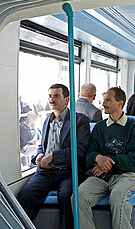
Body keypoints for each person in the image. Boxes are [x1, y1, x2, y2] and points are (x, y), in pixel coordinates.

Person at [17, 84, 90, 229]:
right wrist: (40, 154)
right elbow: (42, 146)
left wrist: (53, 156)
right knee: (26, 194)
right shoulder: (47, 121)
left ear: (67, 99)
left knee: (65, 197)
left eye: (56, 96)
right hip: (47, 172)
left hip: (68, 171)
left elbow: (80, 150)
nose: (52, 99)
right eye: (50, 96)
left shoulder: (79, 121)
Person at [78, 87, 135, 229]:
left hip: (125, 175)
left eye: (108, 100)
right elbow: (89, 154)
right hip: (100, 176)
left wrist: (106, 163)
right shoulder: (99, 127)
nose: (103, 104)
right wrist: (97, 157)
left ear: (120, 103)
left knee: (118, 198)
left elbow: (133, 160)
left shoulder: (133, 127)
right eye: (104, 100)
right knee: (78, 196)